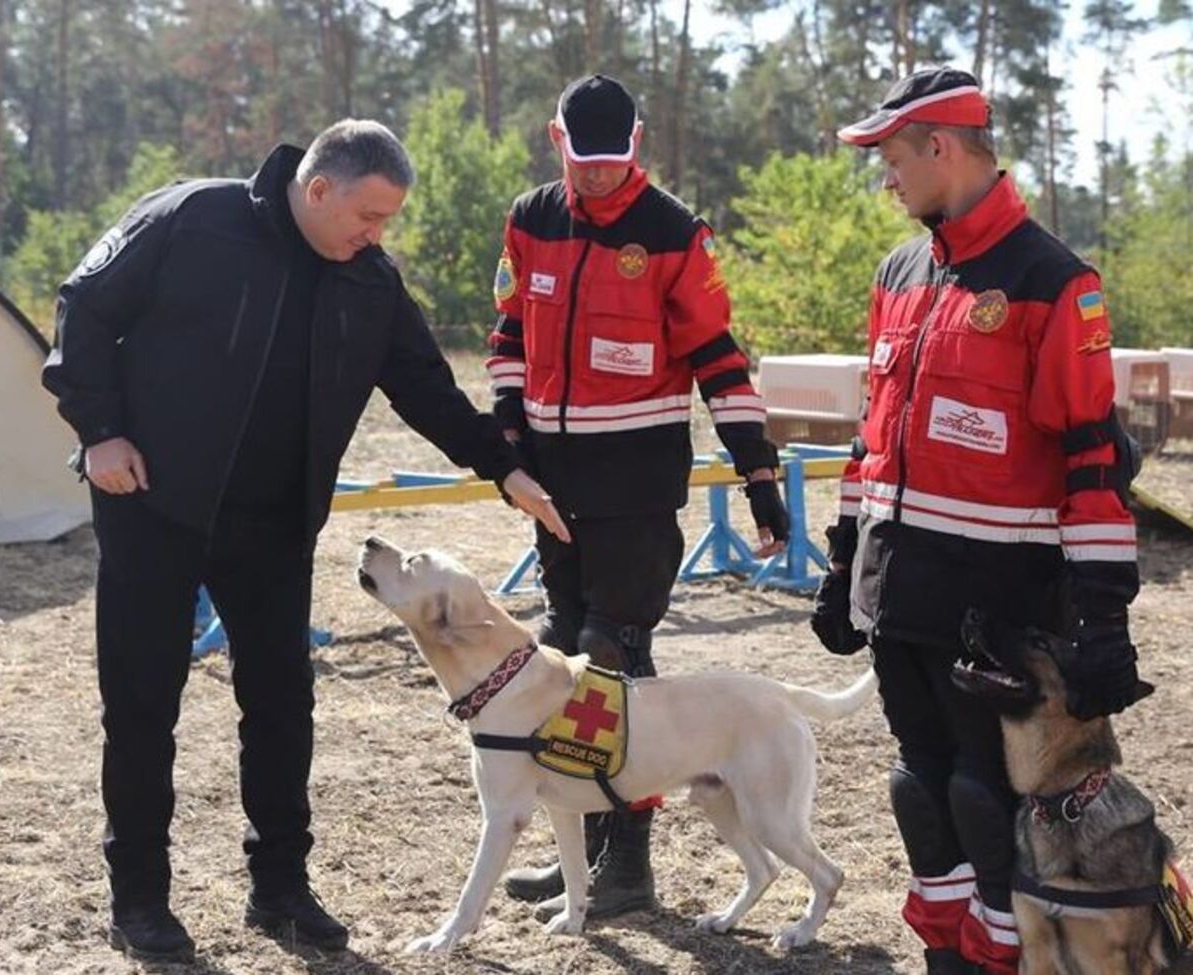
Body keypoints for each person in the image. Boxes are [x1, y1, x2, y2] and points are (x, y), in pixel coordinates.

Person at [42, 120, 569, 963]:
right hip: (152, 504)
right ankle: (139, 899)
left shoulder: (368, 280)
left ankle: (280, 887)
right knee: (144, 705)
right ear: (317, 189)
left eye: (388, 220)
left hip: (273, 524)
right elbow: (84, 303)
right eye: (368, 215)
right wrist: (99, 429)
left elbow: (426, 386)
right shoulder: (190, 218)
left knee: (283, 706)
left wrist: (502, 469)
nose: (377, 234)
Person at [813, 67, 1148, 975]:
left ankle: (1008, 960)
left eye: (891, 157)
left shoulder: (1053, 280)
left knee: (978, 794)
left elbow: (1092, 461)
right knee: (917, 789)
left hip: (993, 603)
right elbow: (871, 438)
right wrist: (844, 560)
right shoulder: (900, 272)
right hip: (897, 592)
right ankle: (946, 959)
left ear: (942, 148)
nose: (886, 177)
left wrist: (1104, 613)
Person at [486, 74, 790, 920]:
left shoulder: (674, 234)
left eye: (613, 162)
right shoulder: (530, 219)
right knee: (562, 664)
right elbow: (509, 332)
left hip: (638, 488)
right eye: (584, 163)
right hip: (554, 485)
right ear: (558, 143)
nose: (597, 178)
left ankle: (629, 868)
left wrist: (757, 471)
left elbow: (720, 360)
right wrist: (509, 422)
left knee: (610, 658)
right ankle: (582, 854)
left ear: (638, 145)